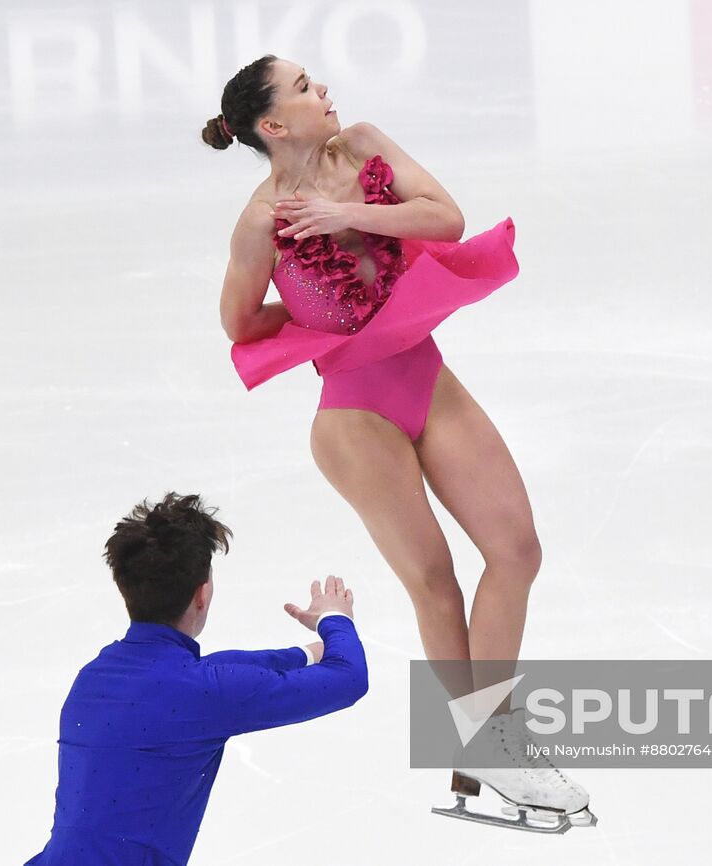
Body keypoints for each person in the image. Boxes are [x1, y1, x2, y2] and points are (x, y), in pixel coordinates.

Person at [202, 56, 594, 830]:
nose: (325, 93)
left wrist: (360, 219)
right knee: (436, 579)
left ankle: (487, 740)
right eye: (306, 90)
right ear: (272, 125)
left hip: (428, 380)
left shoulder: (365, 147)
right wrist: (324, 329)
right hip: (353, 415)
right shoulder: (260, 221)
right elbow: (241, 324)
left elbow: (444, 218)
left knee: (517, 551)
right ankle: (491, 741)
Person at [24, 492, 368, 865]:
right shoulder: (205, 692)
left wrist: (304, 654)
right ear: (202, 595)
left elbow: (206, 677)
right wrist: (335, 620)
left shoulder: (94, 676)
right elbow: (350, 678)